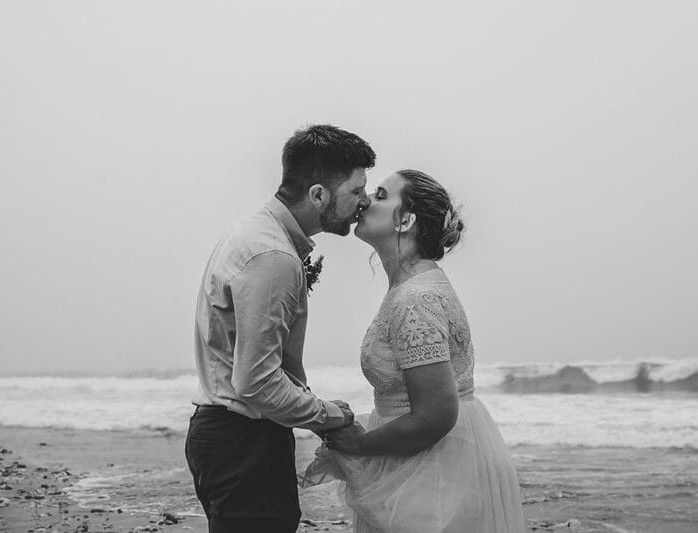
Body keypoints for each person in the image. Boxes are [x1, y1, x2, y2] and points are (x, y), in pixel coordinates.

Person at [302, 170, 526, 532]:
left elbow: (435, 415)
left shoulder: (415, 299)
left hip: (435, 469)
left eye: (379, 194)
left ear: (405, 220)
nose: (364, 201)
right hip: (435, 457)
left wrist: (360, 444)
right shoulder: (413, 286)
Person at [186, 124, 376, 533]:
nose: (364, 201)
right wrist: (328, 415)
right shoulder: (272, 256)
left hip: (227, 436)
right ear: (319, 194)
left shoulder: (255, 233)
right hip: (243, 441)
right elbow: (256, 382)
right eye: (356, 191)